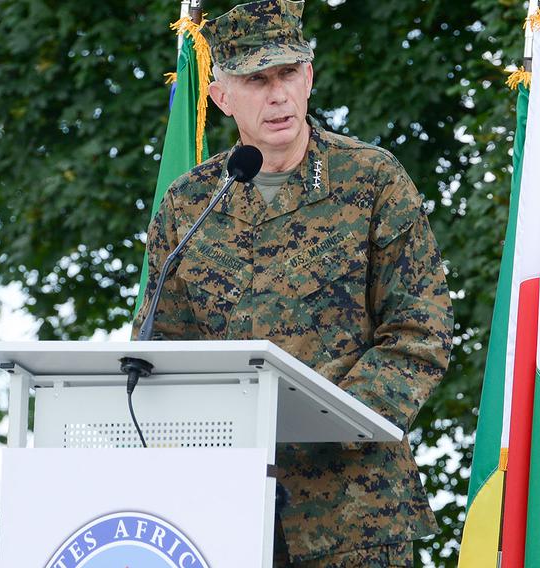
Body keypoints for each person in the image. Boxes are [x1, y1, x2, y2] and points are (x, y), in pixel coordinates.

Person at [133, 0, 453, 565]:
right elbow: (160, 356)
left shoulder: (373, 180)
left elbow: (418, 333)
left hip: (355, 513)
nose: (277, 94)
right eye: (256, 79)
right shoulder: (189, 206)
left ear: (308, 77)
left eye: (287, 73)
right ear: (221, 95)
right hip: (222, 512)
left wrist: (332, 420)